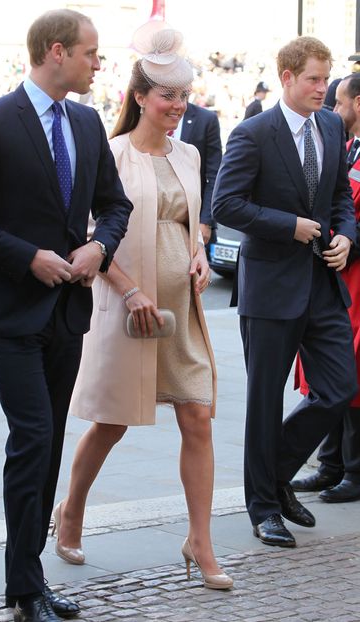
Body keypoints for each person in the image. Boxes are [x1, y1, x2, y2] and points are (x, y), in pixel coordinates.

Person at [0, 9, 132, 622]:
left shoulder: (85, 120)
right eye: (90, 53)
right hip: (10, 314)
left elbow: (114, 203)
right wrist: (29, 258)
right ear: (57, 52)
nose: (98, 64)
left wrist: (98, 246)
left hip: (67, 315)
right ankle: (23, 591)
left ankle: (32, 581)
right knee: (33, 438)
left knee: (47, 446)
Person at [52, 27, 233, 591]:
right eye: (167, 97)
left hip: (183, 309)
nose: (178, 108)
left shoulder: (191, 152)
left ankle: (199, 540)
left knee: (197, 417)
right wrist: (130, 287)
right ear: (138, 97)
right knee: (112, 424)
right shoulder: (111, 153)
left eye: (183, 98)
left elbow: (188, 223)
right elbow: (87, 236)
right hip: (131, 306)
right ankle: (71, 509)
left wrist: (200, 256)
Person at [212, 36, 357, 548]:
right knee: (264, 400)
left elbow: (341, 196)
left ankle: (274, 474)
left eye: (327, 78)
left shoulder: (333, 125)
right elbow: (226, 204)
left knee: (339, 387)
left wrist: (345, 235)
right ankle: (265, 508)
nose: (324, 88)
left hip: (321, 282)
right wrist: (288, 226)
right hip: (270, 286)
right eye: (315, 79)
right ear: (287, 78)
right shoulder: (253, 133)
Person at [292, 73, 360, 503]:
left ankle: (353, 470)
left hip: (356, 272)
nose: (335, 111)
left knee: (352, 372)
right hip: (341, 274)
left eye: (341, 102)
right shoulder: (350, 146)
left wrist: (350, 241)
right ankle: (331, 464)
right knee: (333, 372)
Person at [170, 101, 222, 245]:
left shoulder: (206, 119)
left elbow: (214, 175)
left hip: (192, 222)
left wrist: (206, 220)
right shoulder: (151, 113)